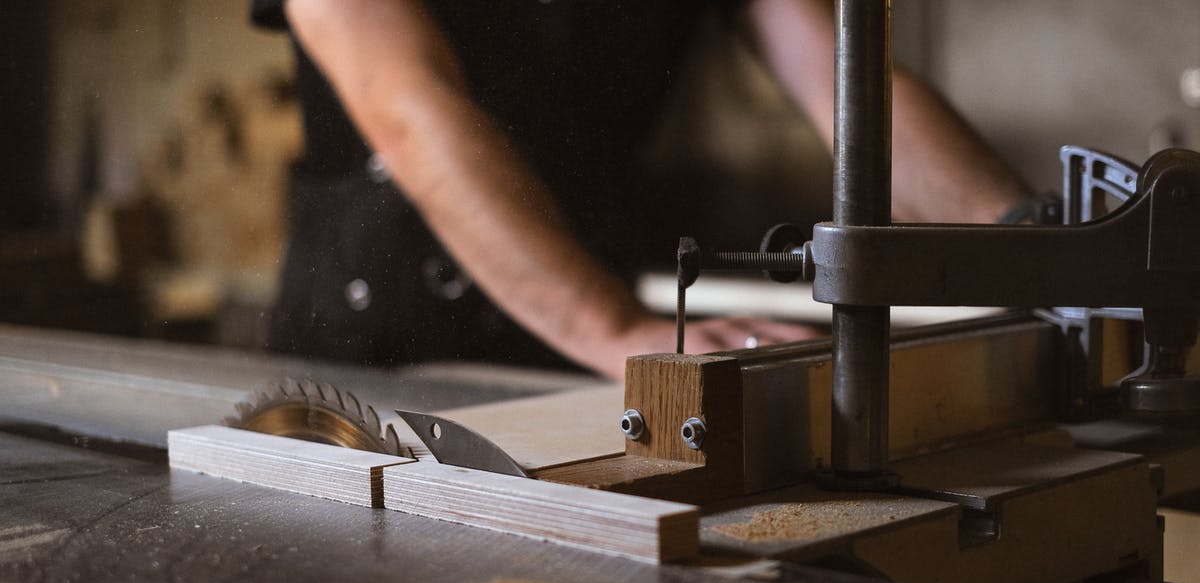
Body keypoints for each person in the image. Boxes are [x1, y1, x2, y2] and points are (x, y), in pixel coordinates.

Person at [251, 0, 1030, 380]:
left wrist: (1037, 244)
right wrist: (615, 326)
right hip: (372, 368)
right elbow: (410, 107)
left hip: (590, 353)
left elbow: (844, 83)